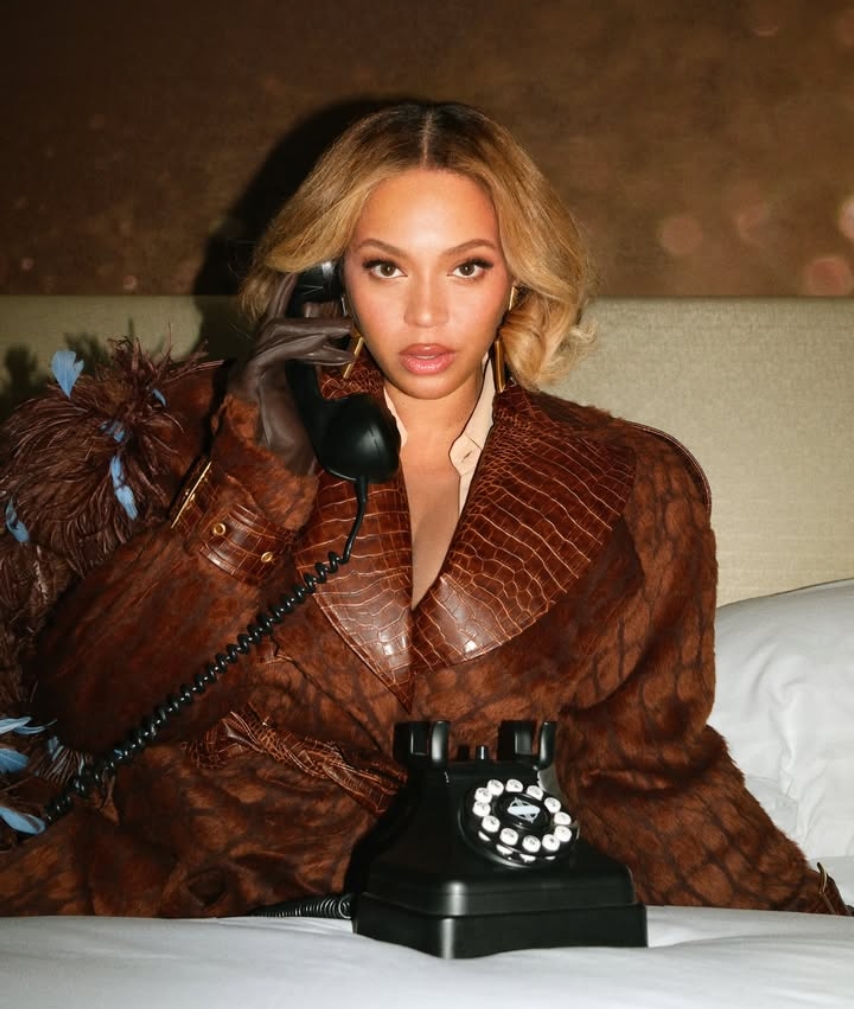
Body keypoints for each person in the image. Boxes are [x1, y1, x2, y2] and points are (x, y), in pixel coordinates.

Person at [0, 101, 847, 917]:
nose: (427, 312)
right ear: (325, 277)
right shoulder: (203, 427)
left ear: (518, 277)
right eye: (386, 266)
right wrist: (254, 480)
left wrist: (816, 926)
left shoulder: (636, 488)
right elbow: (86, 709)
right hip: (172, 902)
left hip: (450, 914)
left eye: (467, 266)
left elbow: (646, 774)